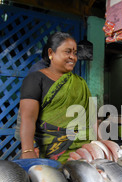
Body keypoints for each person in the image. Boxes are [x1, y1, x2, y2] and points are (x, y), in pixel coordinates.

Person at [18, 32, 93, 163]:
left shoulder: (80, 82)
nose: (73, 57)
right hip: (48, 155)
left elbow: (91, 118)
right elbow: (28, 117)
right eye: (67, 52)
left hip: (82, 154)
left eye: (75, 53)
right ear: (51, 53)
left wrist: (97, 146)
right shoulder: (35, 79)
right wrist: (28, 150)